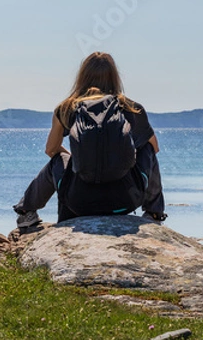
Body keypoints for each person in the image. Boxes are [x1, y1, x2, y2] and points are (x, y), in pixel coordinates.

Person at [13, 52, 166, 227]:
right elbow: (154, 148)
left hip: (79, 203)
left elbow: (51, 150)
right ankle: (154, 214)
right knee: (147, 147)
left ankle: (26, 212)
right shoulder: (131, 108)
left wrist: (76, 158)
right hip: (125, 200)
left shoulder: (66, 108)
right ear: (115, 77)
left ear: (82, 76)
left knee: (58, 159)